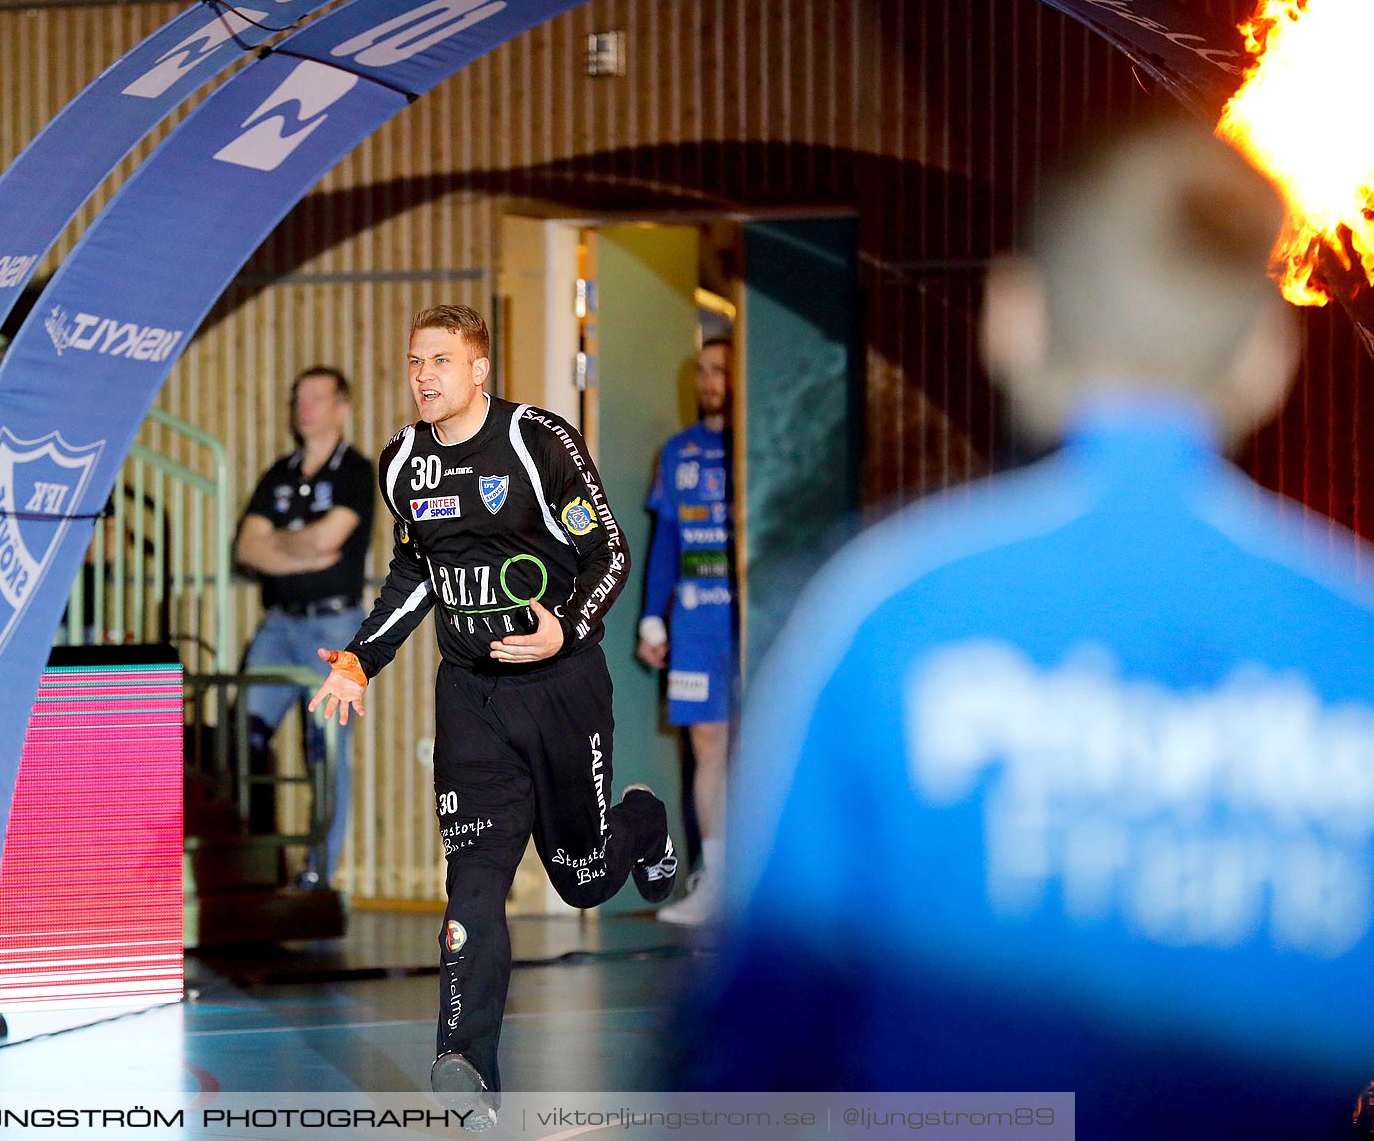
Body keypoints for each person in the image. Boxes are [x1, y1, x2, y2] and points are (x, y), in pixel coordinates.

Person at [687, 120, 1374, 1138]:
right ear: (1268, 357)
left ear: (1011, 318)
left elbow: (757, 1032)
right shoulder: (1350, 635)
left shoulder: (888, 609)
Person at [308, 304, 678, 1124]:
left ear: (480, 368)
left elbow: (608, 553)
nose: (424, 377)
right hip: (469, 700)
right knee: (472, 885)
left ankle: (644, 823)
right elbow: (414, 578)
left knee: (582, 880)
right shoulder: (403, 463)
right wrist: (361, 660)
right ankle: (466, 1066)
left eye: (440, 360)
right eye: (414, 363)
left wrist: (564, 629)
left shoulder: (537, 442)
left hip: (561, 692)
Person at [233, 366, 373, 888]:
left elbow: (327, 539)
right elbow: (246, 549)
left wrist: (280, 545)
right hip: (277, 627)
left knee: (325, 753)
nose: (304, 406)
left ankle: (319, 875)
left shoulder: (355, 471)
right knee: (243, 736)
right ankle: (258, 867)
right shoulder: (280, 473)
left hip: (333, 630)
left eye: (316, 397)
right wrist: (304, 551)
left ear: (342, 408)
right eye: (298, 397)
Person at [638, 335, 735, 926]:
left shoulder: (758, 446)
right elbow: (665, 542)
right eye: (701, 371)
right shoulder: (678, 452)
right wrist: (653, 615)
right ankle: (717, 881)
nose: (708, 382)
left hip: (747, 614)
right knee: (706, 744)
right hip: (695, 616)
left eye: (720, 371)